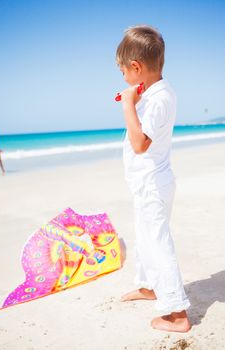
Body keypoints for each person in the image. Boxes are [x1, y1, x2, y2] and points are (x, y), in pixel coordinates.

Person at [115, 25, 191, 332]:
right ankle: (149, 286)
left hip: (153, 184)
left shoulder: (159, 99)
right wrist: (135, 100)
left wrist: (127, 105)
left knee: (158, 243)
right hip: (147, 182)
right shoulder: (155, 93)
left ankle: (177, 314)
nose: (123, 78)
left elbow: (139, 143)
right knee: (144, 238)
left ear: (136, 67)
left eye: (124, 71)